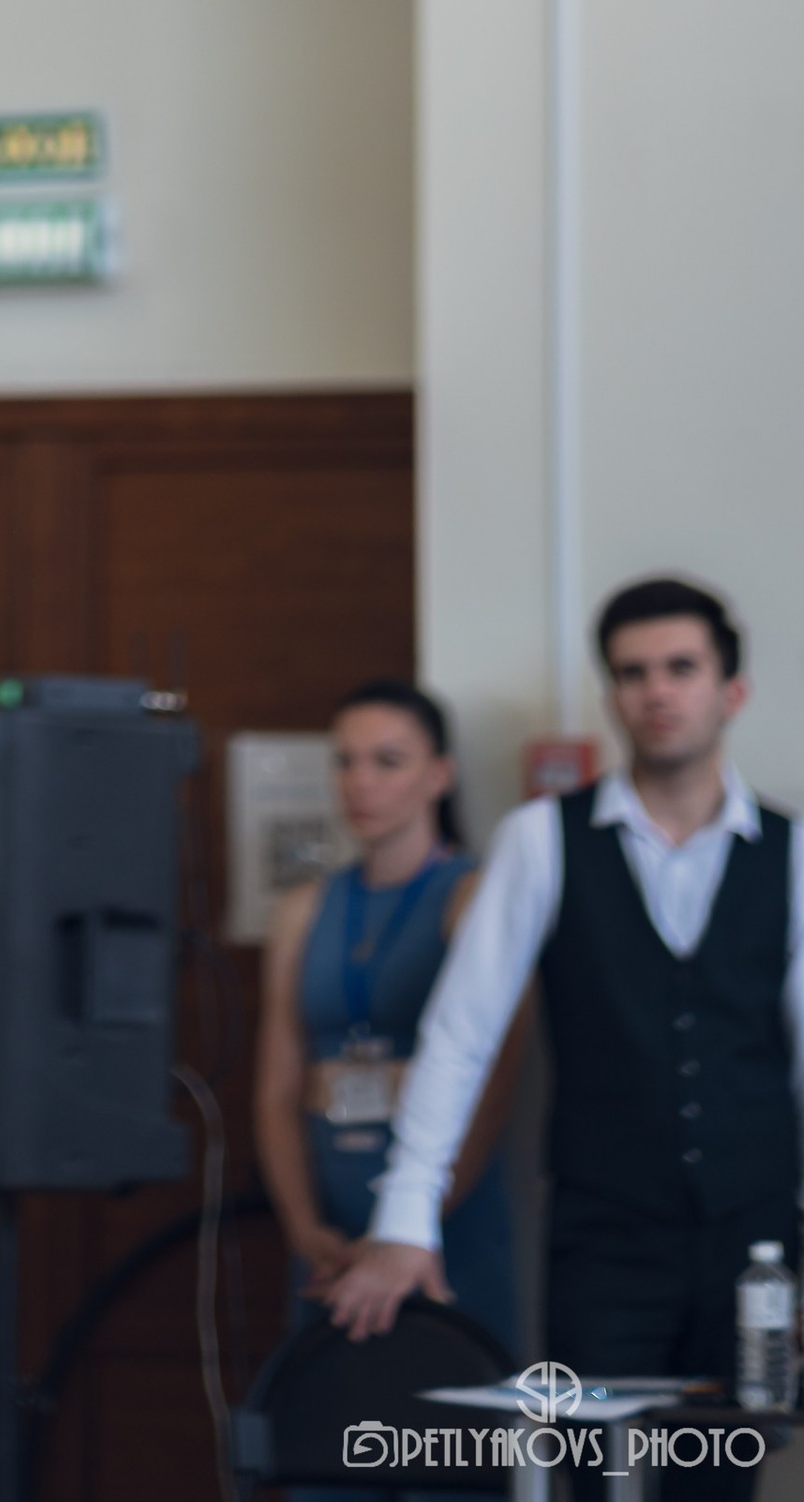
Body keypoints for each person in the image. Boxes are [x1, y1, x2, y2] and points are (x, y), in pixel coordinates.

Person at [330, 578, 804, 1381]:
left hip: (753, 1238)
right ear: (612, 692)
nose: (657, 691)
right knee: (592, 1470)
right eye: (632, 672)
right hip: (603, 1231)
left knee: (723, 1475)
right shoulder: (542, 840)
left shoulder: (790, 851)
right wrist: (407, 1213)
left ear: (732, 691)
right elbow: (460, 1033)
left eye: (680, 668)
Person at [253, 680, 520, 1353]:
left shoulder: (476, 894)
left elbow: (493, 1082)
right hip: (328, 1230)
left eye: (387, 761)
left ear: (439, 775)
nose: (360, 782)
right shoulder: (303, 908)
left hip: (445, 1216)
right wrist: (301, 1224)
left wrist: (404, 1229)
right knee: (328, 1426)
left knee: (447, 1422)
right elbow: (277, 1089)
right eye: (345, 761)